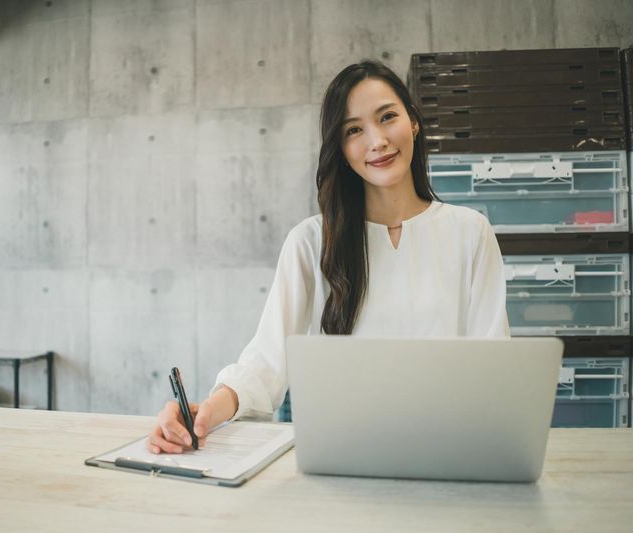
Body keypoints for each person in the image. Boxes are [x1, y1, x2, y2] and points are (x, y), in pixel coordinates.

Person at [147, 59, 510, 454]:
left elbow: (493, 368)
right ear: (341, 148)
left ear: (414, 122)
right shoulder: (311, 241)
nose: (377, 141)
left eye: (387, 117)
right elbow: (265, 363)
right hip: (343, 458)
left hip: (450, 455)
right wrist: (204, 413)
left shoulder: (471, 232)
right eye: (354, 130)